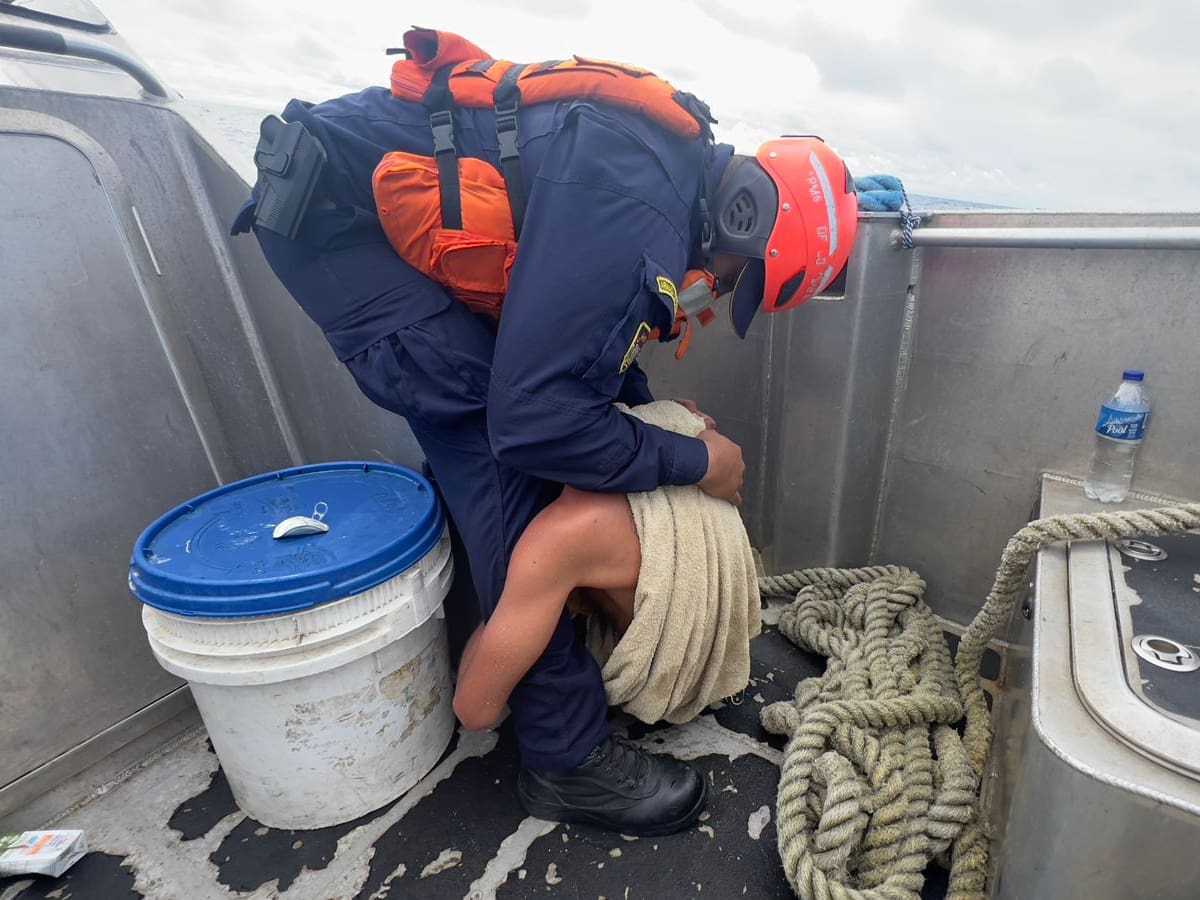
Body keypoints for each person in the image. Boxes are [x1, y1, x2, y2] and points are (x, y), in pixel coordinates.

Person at [232, 27, 858, 837]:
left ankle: (478, 603)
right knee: (483, 429)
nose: (720, 289)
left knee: (511, 408)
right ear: (742, 219)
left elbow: (586, 340)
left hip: (363, 194)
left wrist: (643, 428)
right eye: (739, 277)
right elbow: (530, 424)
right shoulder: (637, 211)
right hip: (337, 225)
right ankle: (566, 762)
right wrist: (695, 460)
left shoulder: (668, 177)